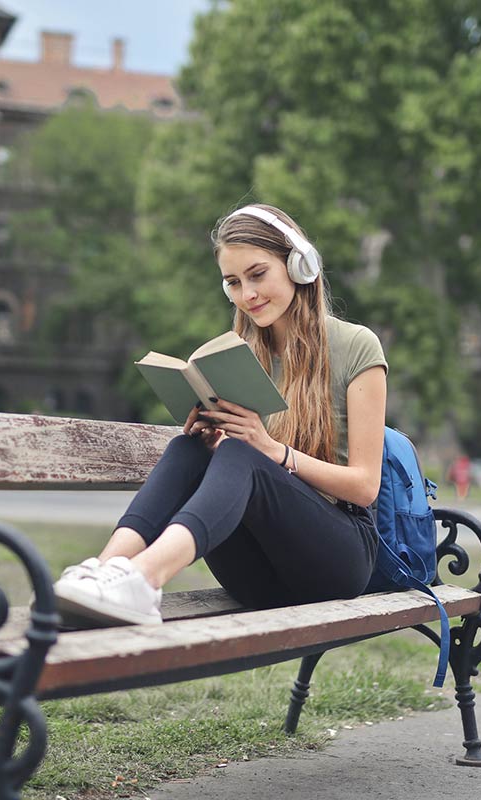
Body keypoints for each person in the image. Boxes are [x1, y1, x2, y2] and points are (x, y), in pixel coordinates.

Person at [51, 203, 387, 627]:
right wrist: (213, 434)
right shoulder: (236, 355)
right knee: (191, 448)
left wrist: (270, 449)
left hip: (338, 560)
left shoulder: (358, 347)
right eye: (233, 282)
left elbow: (365, 487)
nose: (247, 294)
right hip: (259, 575)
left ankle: (143, 578)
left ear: (300, 266)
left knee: (244, 455)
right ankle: (102, 571)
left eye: (258, 274)